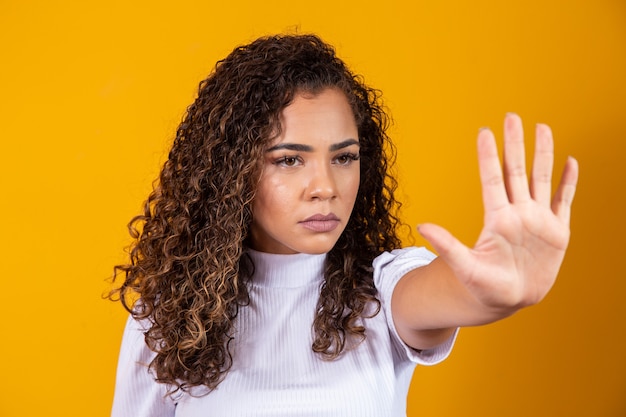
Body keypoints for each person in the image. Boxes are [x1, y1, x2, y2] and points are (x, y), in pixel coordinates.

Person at [109, 33, 579, 416]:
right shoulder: (168, 318)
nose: (325, 186)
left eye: (344, 157)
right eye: (290, 159)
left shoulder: (381, 289)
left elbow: (437, 294)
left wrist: (492, 292)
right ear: (231, 172)